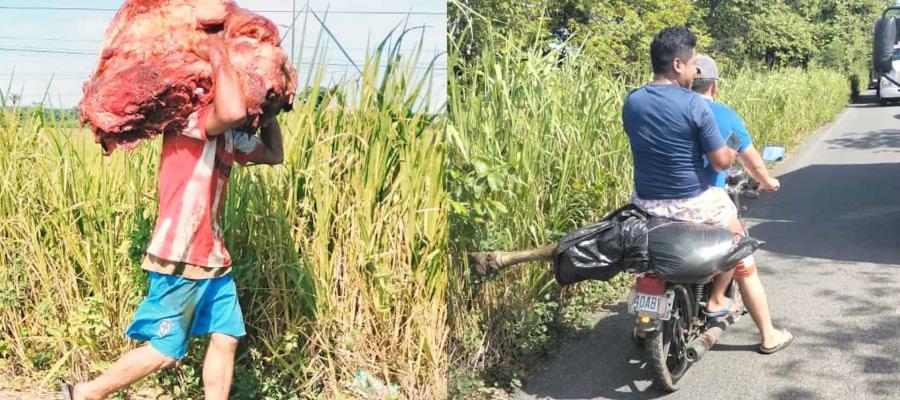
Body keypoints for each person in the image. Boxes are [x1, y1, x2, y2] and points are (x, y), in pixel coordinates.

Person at [62, 36, 285, 400]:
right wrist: (215, 52)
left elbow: (274, 154)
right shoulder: (189, 121)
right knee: (166, 350)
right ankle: (86, 393)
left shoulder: (228, 137)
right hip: (179, 255)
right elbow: (228, 111)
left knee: (226, 338)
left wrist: (271, 112)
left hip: (214, 259)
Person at [623, 26, 793, 354]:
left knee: (647, 260)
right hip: (694, 202)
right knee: (740, 246)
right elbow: (719, 163)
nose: (693, 71)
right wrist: (731, 147)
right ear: (677, 65)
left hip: (644, 204)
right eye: (692, 64)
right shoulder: (695, 105)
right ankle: (763, 330)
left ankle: (644, 323)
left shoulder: (633, 102)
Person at [691, 54, 780, 193]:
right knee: (731, 214)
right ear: (714, 86)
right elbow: (751, 162)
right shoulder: (726, 115)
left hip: (657, 197)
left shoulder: (667, 111)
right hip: (706, 197)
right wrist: (768, 182)